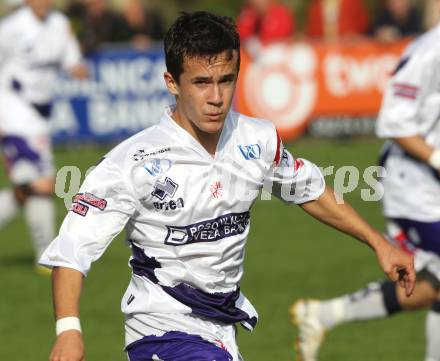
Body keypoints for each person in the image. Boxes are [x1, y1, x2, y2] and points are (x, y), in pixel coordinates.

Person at [39, 11, 415, 361]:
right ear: (172, 82)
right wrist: (68, 328)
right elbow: (73, 250)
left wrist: (379, 243)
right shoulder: (132, 163)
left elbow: (310, 190)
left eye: (226, 80)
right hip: (160, 327)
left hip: (221, 328)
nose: (216, 97)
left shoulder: (258, 139)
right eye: (201, 83)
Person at [292, 20, 440, 361]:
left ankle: (324, 314)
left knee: (432, 286)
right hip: (415, 189)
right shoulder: (428, 52)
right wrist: (435, 157)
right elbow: (393, 121)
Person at [0, 0, 87, 272]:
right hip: (12, 111)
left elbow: (72, 62)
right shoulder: (12, 27)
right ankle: (47, 256)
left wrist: (79, 69)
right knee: (44, 183)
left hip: (38, 117)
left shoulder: (60, 24)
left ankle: (45, 254)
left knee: (26, 191)